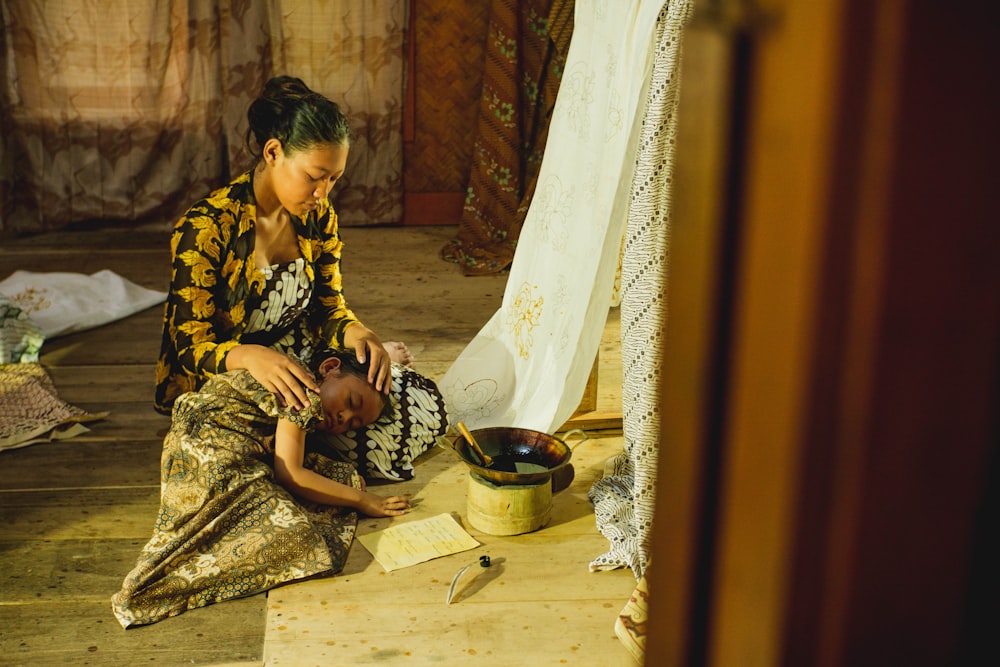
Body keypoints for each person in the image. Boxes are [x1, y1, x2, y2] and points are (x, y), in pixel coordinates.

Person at [154, 75, 447, 481]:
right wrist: (252, 356)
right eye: (315, 176)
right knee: (231, 467)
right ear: (273, 152)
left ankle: (315, 431)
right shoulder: (205, 228)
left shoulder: (318, 216)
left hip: (307, 365)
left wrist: (358, 334)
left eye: (334, 179)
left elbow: (328, 307)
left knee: (410, 413)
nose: (323, 193)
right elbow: (189, 345)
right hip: (235, 376)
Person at [113, 348, 410, 628]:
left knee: (338, 478)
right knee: (300, 536)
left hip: (194, 447)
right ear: (330, 368)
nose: (343, 419)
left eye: (353, 424)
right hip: (214, 455)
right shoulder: (301, 390)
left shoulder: (293, 375)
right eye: (351, 402)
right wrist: (362, 501)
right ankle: (155, 589)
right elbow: (291, 474)